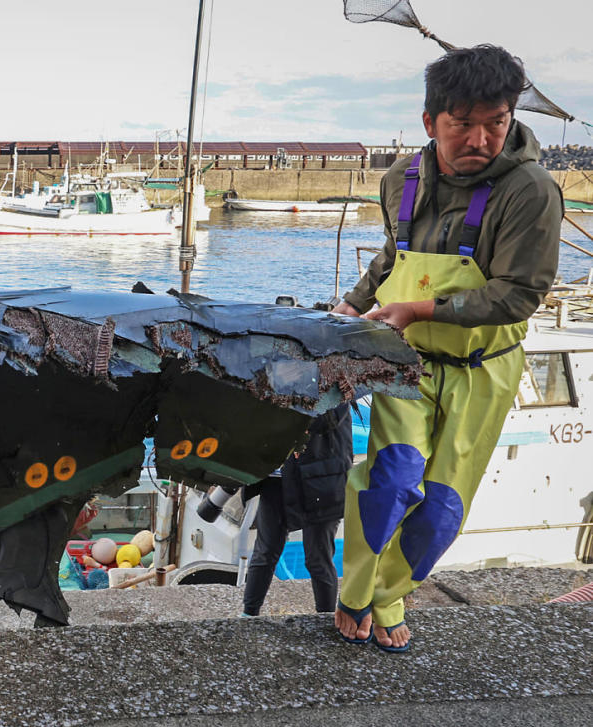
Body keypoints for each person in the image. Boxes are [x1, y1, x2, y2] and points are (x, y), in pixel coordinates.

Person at [332, 45, 563, 653]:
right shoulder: (398, 180)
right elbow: (392, 258)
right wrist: (354, 306)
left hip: (481, 370)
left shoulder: (531, 191)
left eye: (496, 121)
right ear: (432, 120)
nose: (480, 138)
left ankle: (390, 593)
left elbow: (518, 296)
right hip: (405, 362)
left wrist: (419, 309)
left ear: (511, 118)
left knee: (438, 512)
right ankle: (356, 590)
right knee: (390, 479)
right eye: (462, 123)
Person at [241, 404, 353, 617]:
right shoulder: (273, 373)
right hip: (275, 480)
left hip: (321, 482)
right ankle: (248, 615)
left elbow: (328, 418)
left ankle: (325, 619)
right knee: (265, 552)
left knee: (318, 558)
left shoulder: (339, 380)